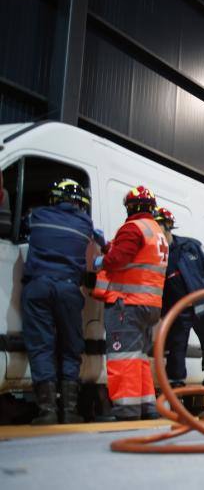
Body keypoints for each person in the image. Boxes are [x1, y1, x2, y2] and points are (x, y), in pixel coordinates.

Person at [21, 179, 101, 424]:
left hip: (38, 287)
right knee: (70, 347)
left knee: (41, 346)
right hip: (68, 289)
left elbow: (22, 228)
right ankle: (70, 410)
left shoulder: (37, 215)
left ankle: (47, 411)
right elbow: (104, 244)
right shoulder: (86, 224)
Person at [91, 186, 167, 420]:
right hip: (150, 305)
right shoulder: (156, 231)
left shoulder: (133, 228)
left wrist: (99, 260)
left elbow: (117, 260)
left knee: (123, 356)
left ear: (131, 207)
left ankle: (126, 409)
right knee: (139, 357)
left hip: (128, 303)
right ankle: (146, 406)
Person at [154, 207, 204, 388]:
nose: (155, 231)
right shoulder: (156, 254)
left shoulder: (191, 246)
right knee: (176, 350)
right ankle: (176, 388)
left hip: (202, 306)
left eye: (158, 225)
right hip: (177, 312)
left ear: (168, 226)